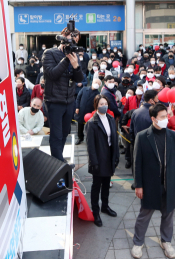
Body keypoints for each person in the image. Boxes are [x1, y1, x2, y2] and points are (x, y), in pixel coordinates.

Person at [131, 103, 175, 259]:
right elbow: (137, 163)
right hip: (150, 185)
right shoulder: (142, 136)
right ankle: (138, 243)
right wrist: (138, 185)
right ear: (153, 118)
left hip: (170, 183)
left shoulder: (174, 136)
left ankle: (166, 241)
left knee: (168, 215)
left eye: (167, 115)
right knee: (144, 215)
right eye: (162, 117)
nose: (166, 119)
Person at [42, 25, 85, 162]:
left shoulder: (75, 55)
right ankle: (59, 163)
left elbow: (79, 79)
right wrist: (67, 59)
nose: (73, 42)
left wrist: (76, 66)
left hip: (69, 100)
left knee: (65, 132)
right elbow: (52, 74)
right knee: (56, 135)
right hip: (54, 101)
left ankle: (58, 159)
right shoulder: (49, 53)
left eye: (76, 40)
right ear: (63, 37)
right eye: (71, 38)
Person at [86, 95, 119, 227]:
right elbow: (90, 146)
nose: (103, 106)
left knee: (106, 184)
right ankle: (96, 211)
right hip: (99, 159)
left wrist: (116, 156)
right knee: (96, 186)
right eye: (101, 104)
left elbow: (115, 139)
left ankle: (105, 206)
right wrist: (94, 162)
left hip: (109, 157)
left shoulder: (111, 119)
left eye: (105, 103)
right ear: (96, 106)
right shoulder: (92, 123)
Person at [129, 90, 158, 188]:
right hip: (150, 144)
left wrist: (133, 142)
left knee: (136, 164)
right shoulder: (154, 113)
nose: (158, 100)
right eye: (156, 98)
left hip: (137, 143)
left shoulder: (136, 111)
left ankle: (136, 182)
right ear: (151, 100)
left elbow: (131, 129)